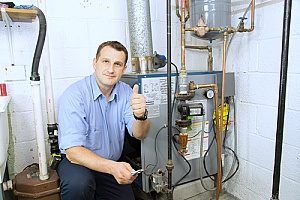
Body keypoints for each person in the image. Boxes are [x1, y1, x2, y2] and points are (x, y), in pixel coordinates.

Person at [57, 41, 150, 200]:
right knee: (78, 185)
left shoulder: (126, 92)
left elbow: (139, 134)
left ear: (124, 69)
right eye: (105, 61)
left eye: (117, 64)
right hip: (79, 164)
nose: (111, 69)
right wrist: (113, 168)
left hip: (110, 164)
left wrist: (141, 116)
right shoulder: (74, 95)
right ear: (95, 63)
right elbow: (73, 152)